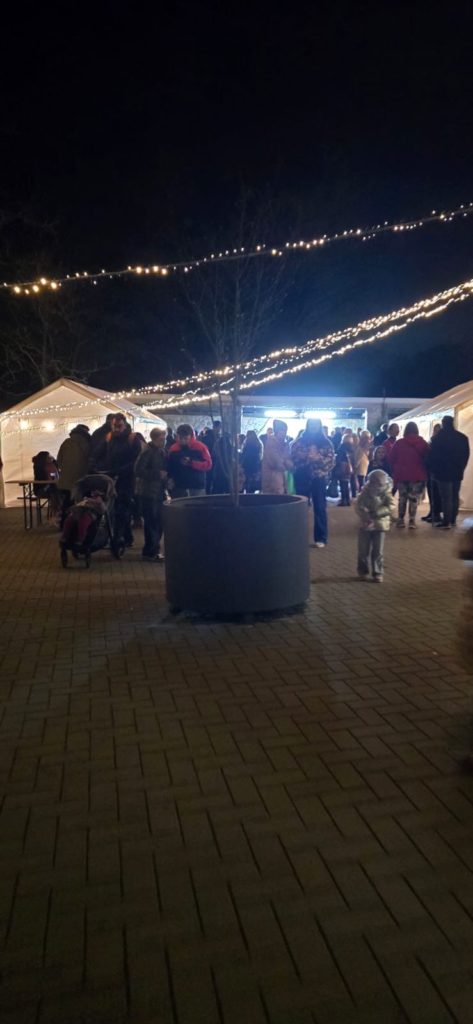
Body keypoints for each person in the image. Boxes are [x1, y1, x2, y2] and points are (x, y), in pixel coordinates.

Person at [94, 413, 143, 547]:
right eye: (114, 426)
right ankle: (126, 537)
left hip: (127, 479)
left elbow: (136, 461)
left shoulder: (133, 438)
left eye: (119, 426)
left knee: (122, 509)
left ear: (124, 425)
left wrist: (121, 470)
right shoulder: (109, 437)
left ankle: (117, 538)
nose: (116, 429)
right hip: (112, 478)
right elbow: (98, 453)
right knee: (117, 509)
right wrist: (95, 465)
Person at [291, 419, 334, 547]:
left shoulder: (326, 443)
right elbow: (293, 457)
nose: (313, 427)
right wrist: (305, 457)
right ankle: (298, 536)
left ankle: (321, 538)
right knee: (300, 507)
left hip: (318, 478)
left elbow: (331, 461)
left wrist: (318, 459)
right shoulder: (300, 441)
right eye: (311, 425)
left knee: (320, 507)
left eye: (316, 425)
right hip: (302, 476)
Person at [428, 414, 470, 530]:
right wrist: (462, 467)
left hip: (442, 472)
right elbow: (466, 455)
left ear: (443, 424)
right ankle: (453, 520)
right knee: (455, 496)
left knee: (446, 497)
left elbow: (433, 456)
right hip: (457, 471)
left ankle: (446, 522)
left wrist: (433, 470)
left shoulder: (437, 438)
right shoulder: (462, 438)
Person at [355, 470, 395, 582]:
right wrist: (365, 515)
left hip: (380, 524)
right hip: (365, 523)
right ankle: (362, 571)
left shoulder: (386, 492)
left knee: (378, 551)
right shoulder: (365, 491)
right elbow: (358, 505)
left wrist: (378, 512)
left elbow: (391, 506)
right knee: (363, 550)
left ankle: (378, 572)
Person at [134, 427, 168, 561]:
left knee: (157, 521)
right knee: (152, 522)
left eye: (164, 439)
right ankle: (151, 551)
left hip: (157, 491)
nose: (164, 441)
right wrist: (157, 474)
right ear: (154, 439)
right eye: (161, 439)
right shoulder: (148, 451)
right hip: (148, 492)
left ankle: (152, 550)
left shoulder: (160, 451)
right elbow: (138, 470)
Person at [389, 421, 429, 528]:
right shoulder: (423, 443)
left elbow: (391, 458)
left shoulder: (399, 443)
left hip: (402, 475)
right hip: (417, 475)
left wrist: (396, 469)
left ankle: (401, 520)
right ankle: (412, 521)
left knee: (402, 498)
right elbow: (428, 458)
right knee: (413, 499)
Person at [57, 424, 91, 525]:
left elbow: (59, 460)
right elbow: (90, 460)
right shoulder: (87, 443)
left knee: (67, 502)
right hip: (81, 479)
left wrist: (66, 470)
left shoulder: (66, 442)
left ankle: (64, 524)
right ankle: (77, 524)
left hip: (66, 480)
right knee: (81, 503)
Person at [167, 424, 212, 497]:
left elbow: (208, 465)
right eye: (180, 438)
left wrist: (191, 463)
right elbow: (169, 466)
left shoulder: (201, 447)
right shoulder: (174, 448)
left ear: (191, 436)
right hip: (179, 487)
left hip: (196, 487)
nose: (182, 441)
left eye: (185, 438)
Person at [261, 419, 292, 494]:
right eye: (282, 430)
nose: (284, 433)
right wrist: (285, 464)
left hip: (280, 476)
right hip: (272, 476)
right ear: (277, 431)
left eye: (285, 430)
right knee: (274, 496)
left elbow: (287, 457)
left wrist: (288, 464)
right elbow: (275, 460)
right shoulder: (271, 442)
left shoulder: (285, 443)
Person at [421, 423, 442, 524]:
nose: (436, 432)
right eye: (435, 430)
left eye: (437, 430)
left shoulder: (437, 441)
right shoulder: (433, 440)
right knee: (431, 493)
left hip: (435, 471)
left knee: (435, 494)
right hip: (431, 471)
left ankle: (435, 514)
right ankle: (432, 513)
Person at [334, 433, 355, 506]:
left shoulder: (342, 447)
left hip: (342, 467)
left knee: (342, 484)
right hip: (349, 468)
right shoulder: (352, 448)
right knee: (346, 484)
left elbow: (339, 458)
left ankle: (344, 500)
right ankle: (347, 500)